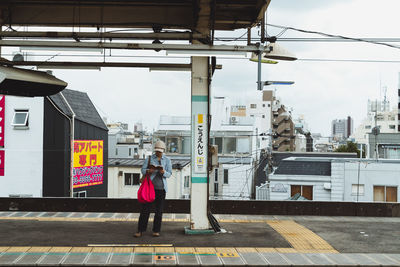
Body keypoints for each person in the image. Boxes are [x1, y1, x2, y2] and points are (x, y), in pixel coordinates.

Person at [134, 140, 172, 237]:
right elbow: (142, 170)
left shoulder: (167, 160)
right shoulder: (149, 158)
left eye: (160, 151)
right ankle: (140, 230)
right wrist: (148, 171)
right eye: (157, 151)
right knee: (145, 210)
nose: (158, 152)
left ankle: (156, 230)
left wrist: (163, 172)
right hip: (149, 188)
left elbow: (169, 174)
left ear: (163, 150)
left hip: (161, 189)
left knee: (159, 211)